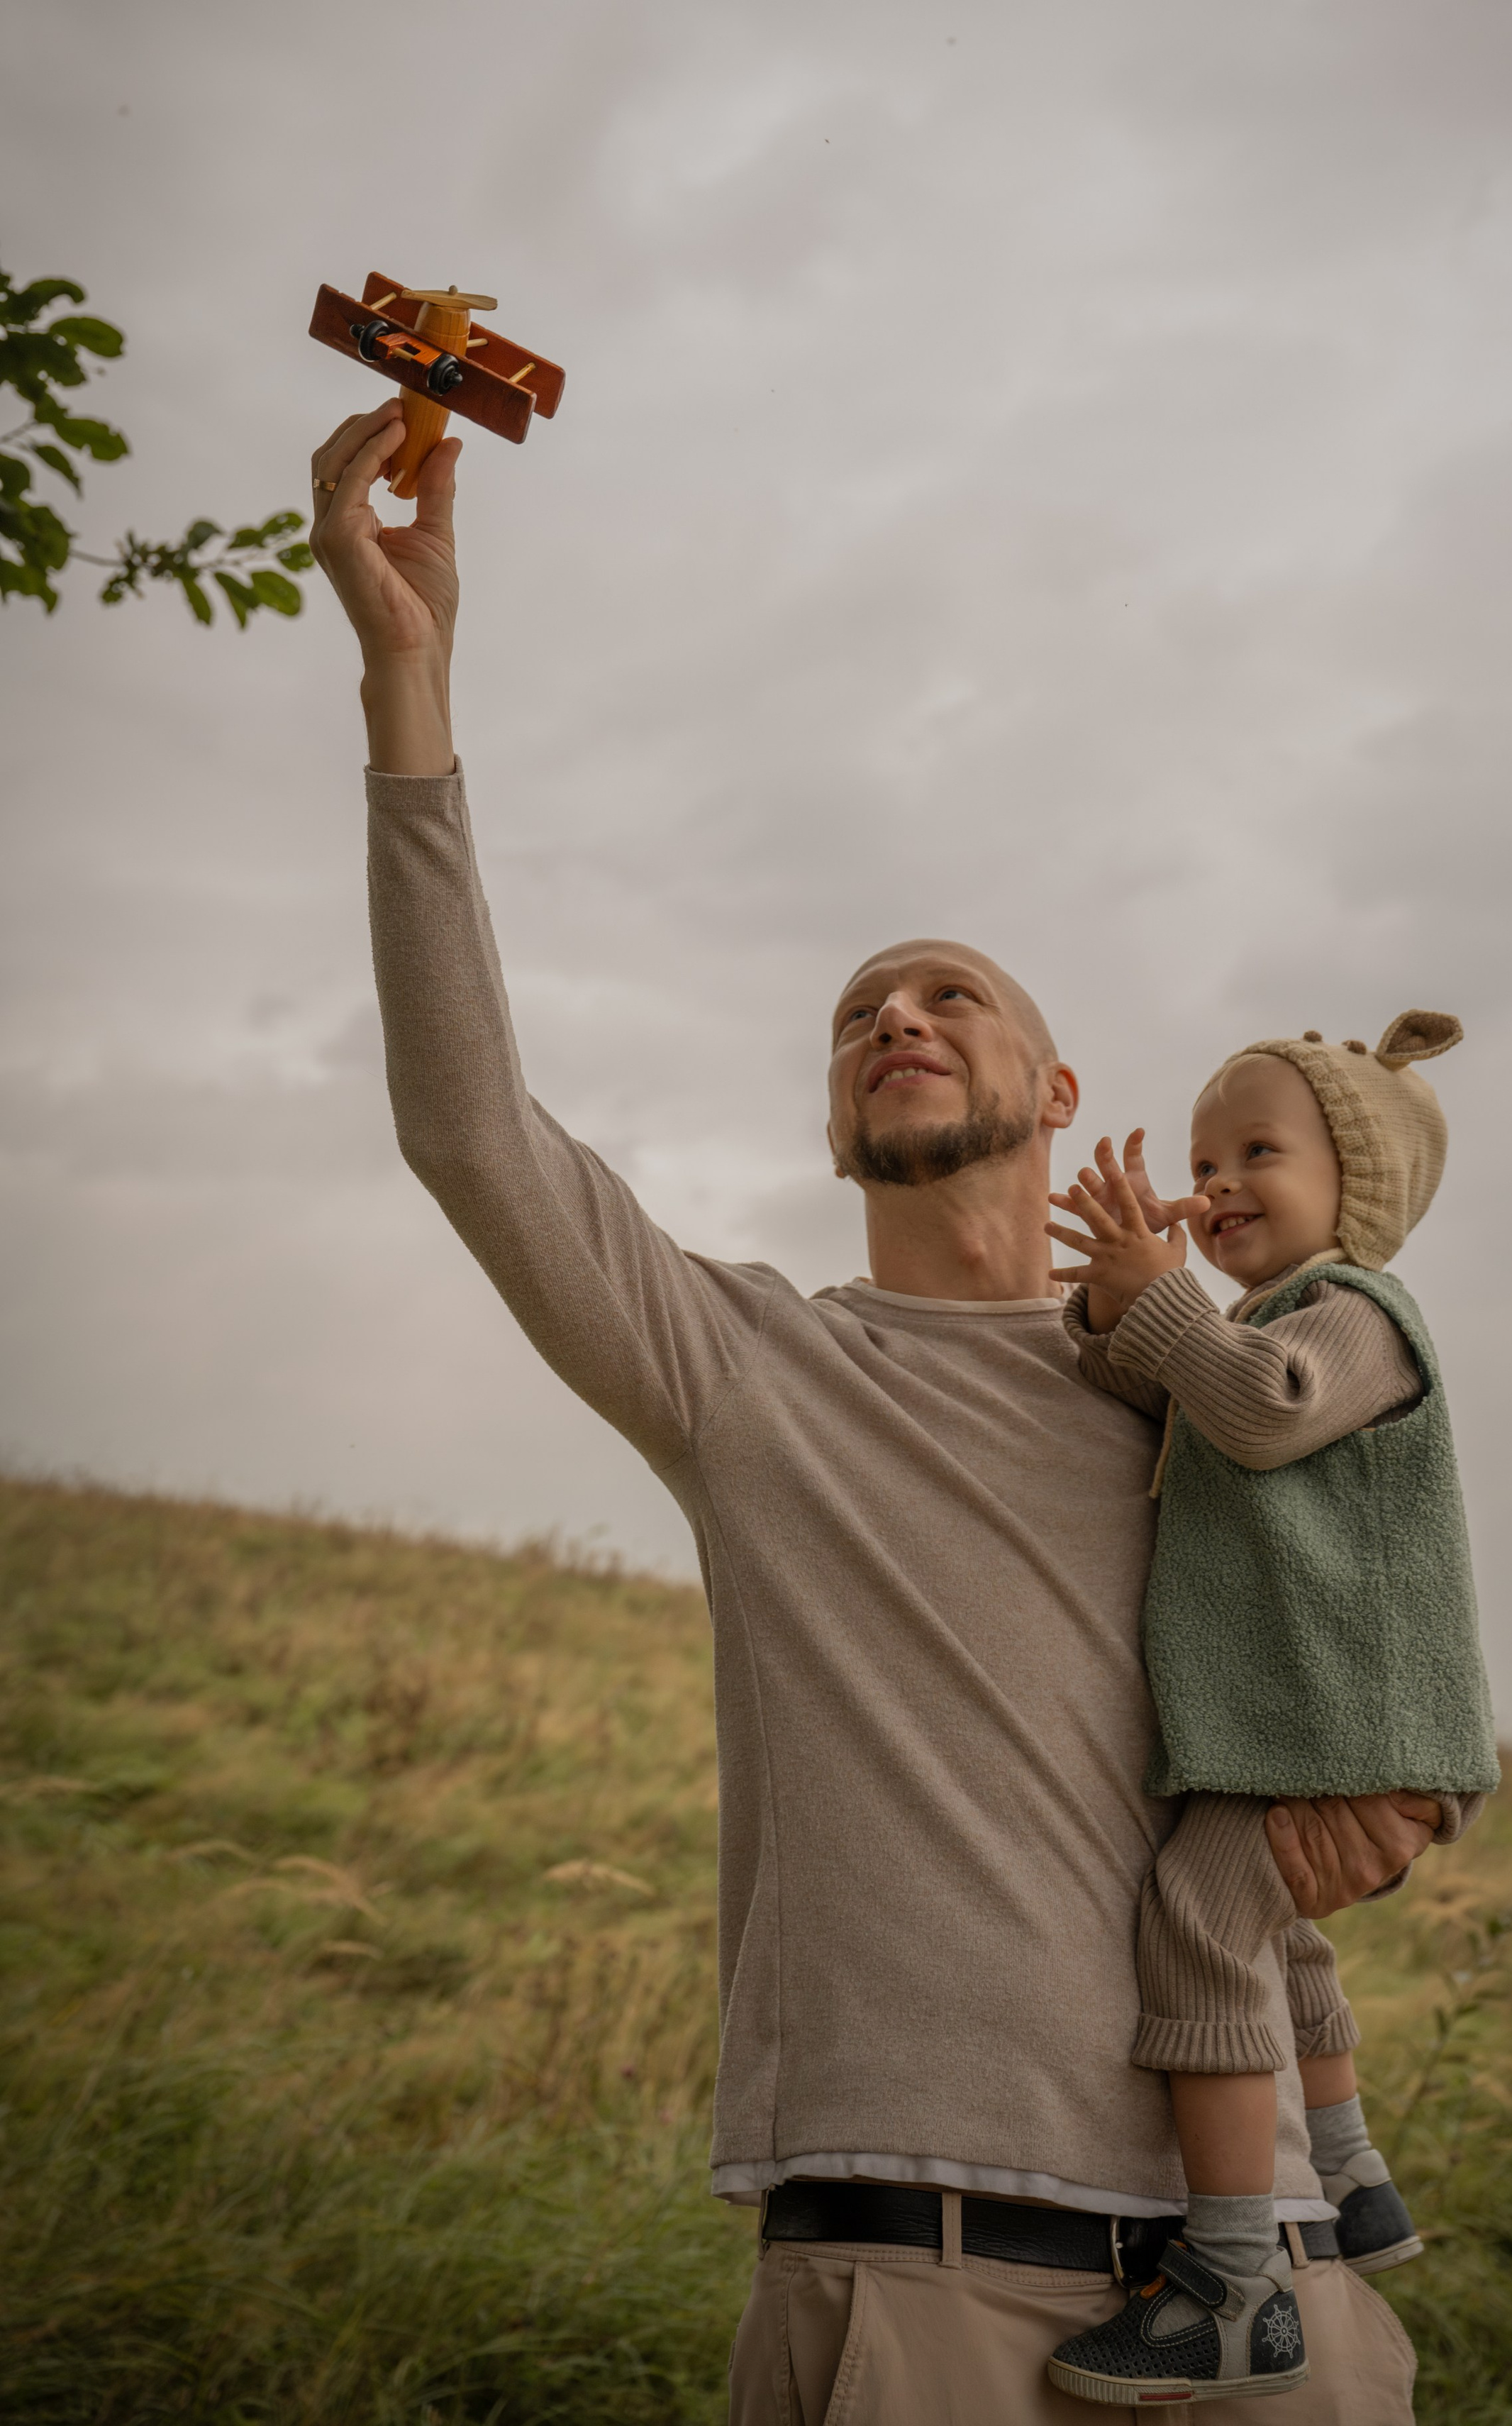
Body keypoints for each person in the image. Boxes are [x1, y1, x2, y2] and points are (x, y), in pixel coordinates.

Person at [308, 399, 1447, 2425]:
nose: (892, 1021)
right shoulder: (751, 1370)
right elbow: (472, 1133)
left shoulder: (1191, 1377)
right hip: (917, 2294)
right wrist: (412, 695)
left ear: (1063, 1091)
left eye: (943, 994)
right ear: (836, 1118)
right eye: (855, 1018)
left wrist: (1370, 1809)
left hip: (1265, 2301)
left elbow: (1365, 1611)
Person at [1038, 1031, 1498, 2401]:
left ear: (1349, 1185)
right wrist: (1112, 1297)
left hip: (1359, 1730)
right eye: (1199, 1163)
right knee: (1276, 1937)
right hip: (1303, 1732)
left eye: (1256, 1155)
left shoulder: (1354, 1316)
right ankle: (1350, 2175)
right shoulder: (1242, 1321)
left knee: (1198, 1919)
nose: (1219, 1182)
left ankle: (1234, 2277)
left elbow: (1258, 1413)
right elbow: (1141, 1384)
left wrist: (1164, 1298)